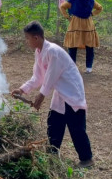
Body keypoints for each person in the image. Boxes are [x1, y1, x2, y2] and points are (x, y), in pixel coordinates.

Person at [12, 21, 94, 168]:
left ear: (36, 38)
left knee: (76, 127)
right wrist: (22, 89)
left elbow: (51, 76)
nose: (27, 41)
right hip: (60, 93)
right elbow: (38, 77)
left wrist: (41, 95)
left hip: (71, 91)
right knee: (54, 123)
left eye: (28, 38)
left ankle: (87, 159)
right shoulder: (39, 52)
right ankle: (52, 155)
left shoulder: (52, 51)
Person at [60, 0, 102, 73]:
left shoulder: (91, 1)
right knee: (72, 46)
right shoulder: (73, 0)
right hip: (75, 25)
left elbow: (99, 8)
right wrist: (68, 17)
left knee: (89, 46)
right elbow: (62, 7)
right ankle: (72, 67)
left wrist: (92, 14)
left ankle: (89, 67)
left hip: (88, 25)